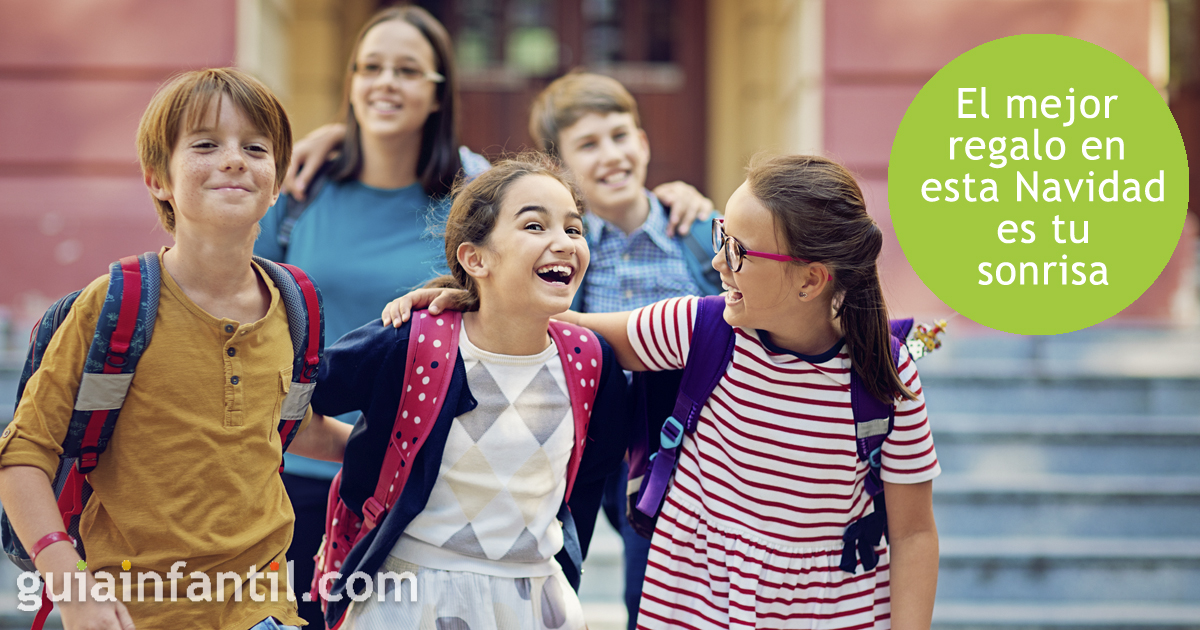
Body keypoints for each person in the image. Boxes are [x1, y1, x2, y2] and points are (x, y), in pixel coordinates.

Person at [383, 154, 941, 630]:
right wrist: (468, 300)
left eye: (739, 251)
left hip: (827, 612)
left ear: (810, 280)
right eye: (723, 236)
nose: (717, 261)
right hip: (689, 606)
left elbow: (913, 534)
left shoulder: (884, 380)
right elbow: (561, 324)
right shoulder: (699, 328)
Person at [0, 68, 351, 630]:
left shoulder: (296, 304)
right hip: (133, 613)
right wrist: (69, 582)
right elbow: (23, 456)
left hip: (265, 611)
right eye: (206, 144)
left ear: (277, 180)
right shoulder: (113, 306)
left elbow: (290, 425)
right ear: (158, 179)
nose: (234, 159)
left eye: (254, 147)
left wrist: (405, 448)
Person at [310, 155, 628, 629]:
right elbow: (286, 408)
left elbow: (587, 480)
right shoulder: (409, 341)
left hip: (536, 602)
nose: (563, 243)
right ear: (475, 258)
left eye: (574, 230)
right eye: (535, 226)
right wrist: (366, 450)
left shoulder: (590, 361)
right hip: (412, 599)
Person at [252, 8, 479, 624]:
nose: (385, 82)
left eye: (407, 70)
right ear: (350, 82)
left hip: (420, 483)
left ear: (438, 93)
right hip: (291, 475)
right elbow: (244, 323)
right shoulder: (300, 187)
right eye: (370, 67)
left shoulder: (477, 192)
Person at [528, 70, 721, 628]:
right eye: (587, 145)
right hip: (600, 448)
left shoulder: (701, 234)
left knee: (678, 592)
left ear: (643, 140)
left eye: (619, 135)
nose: (611, 155)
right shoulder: (560, 252)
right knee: (585, 588)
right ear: (558, 167)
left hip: (696, 450)